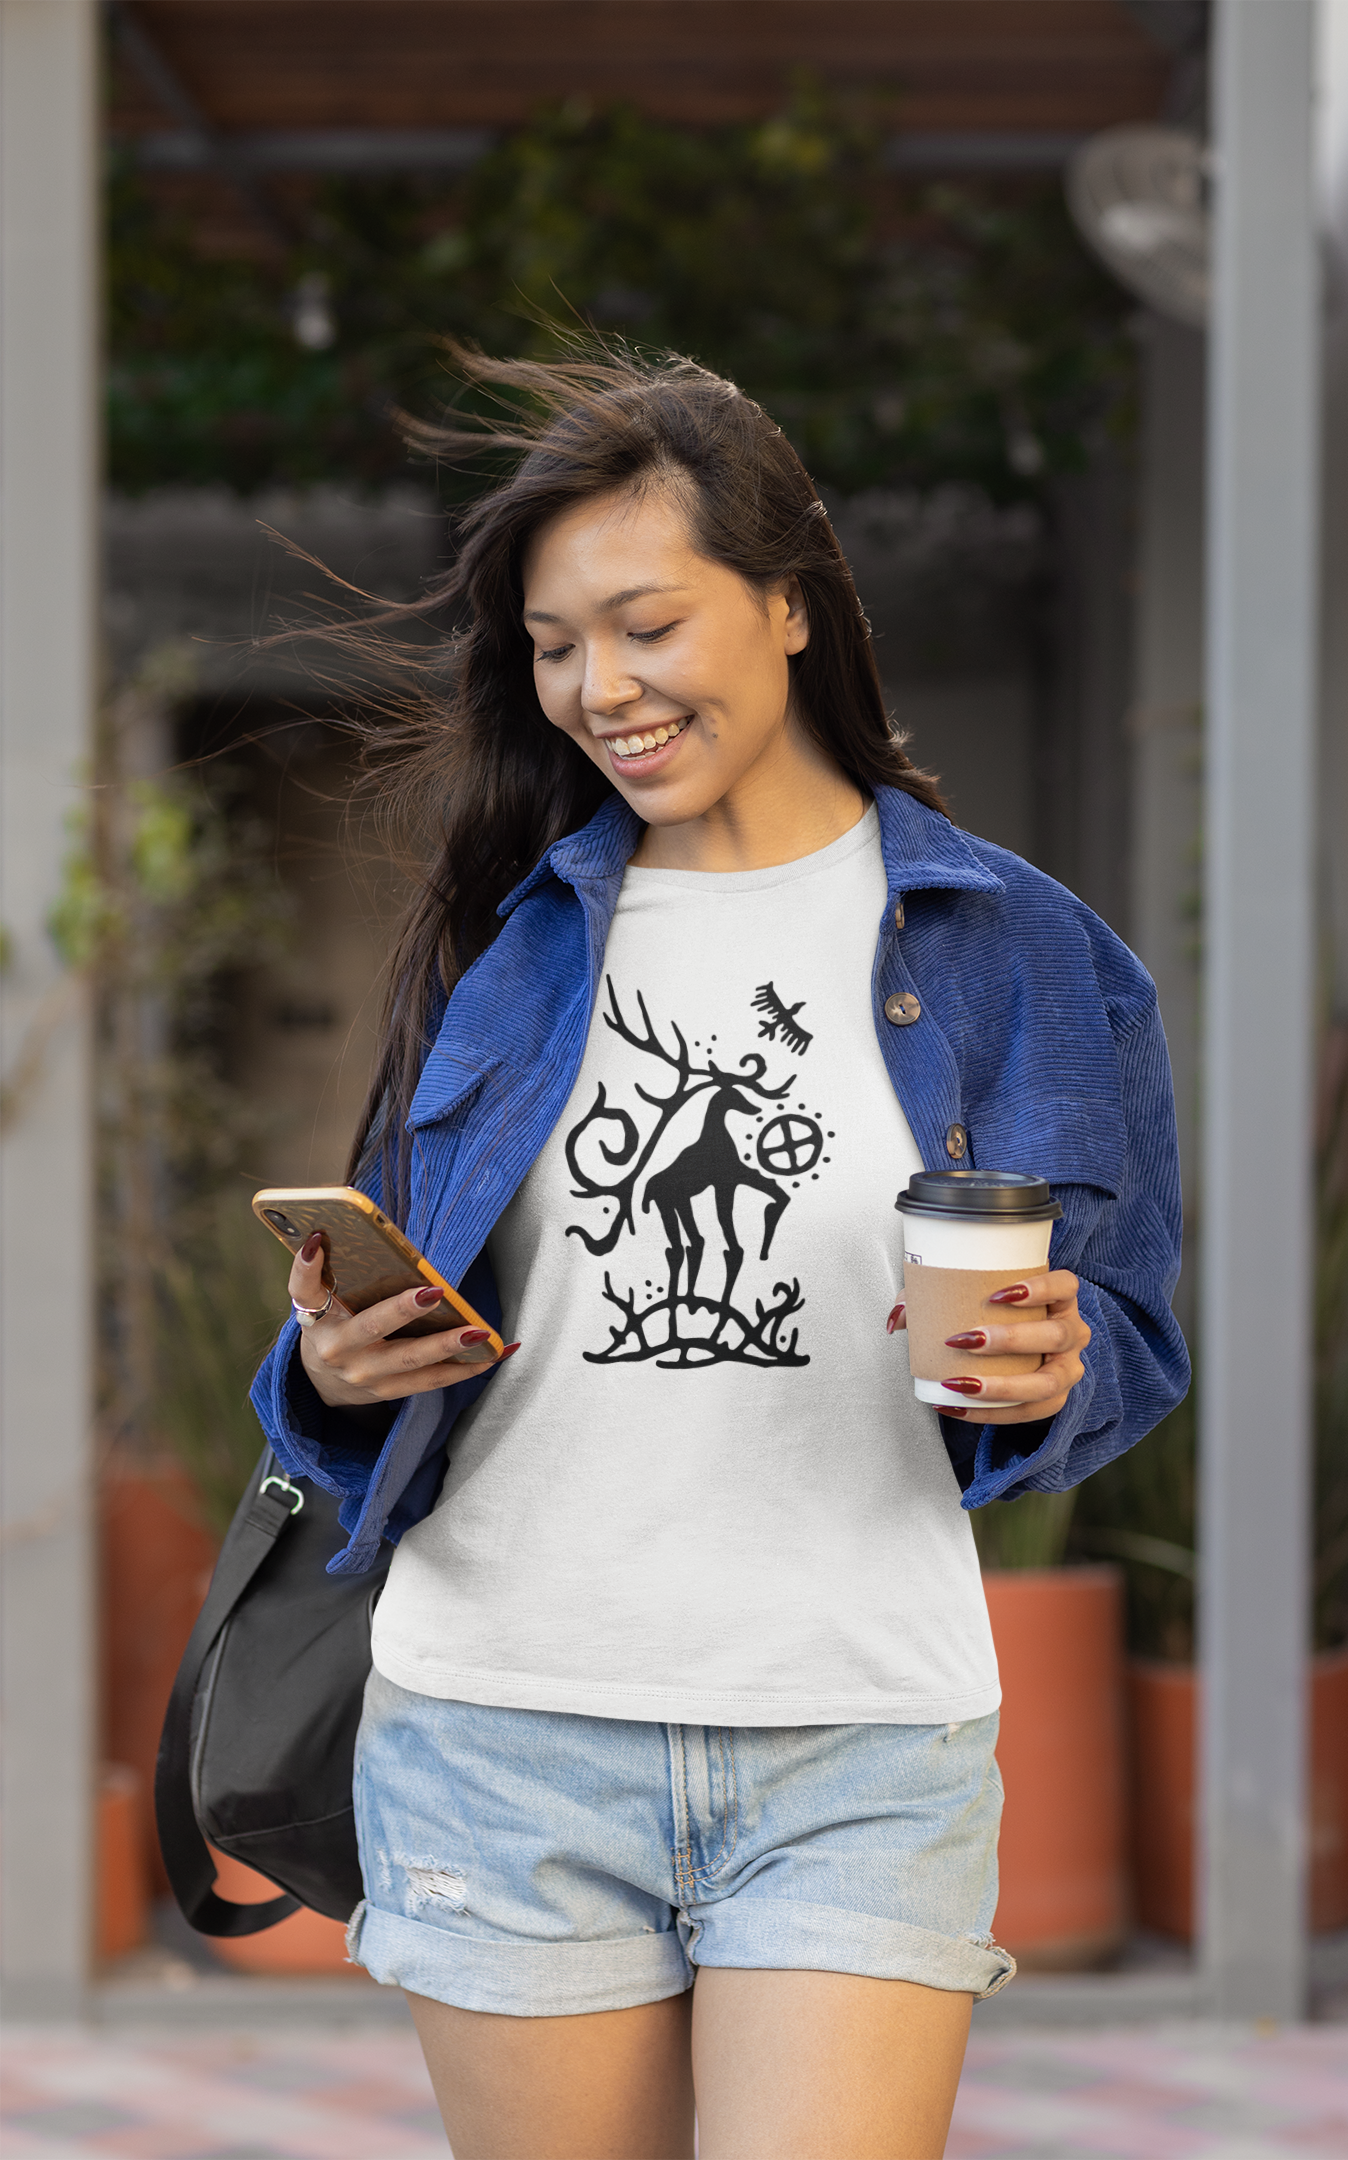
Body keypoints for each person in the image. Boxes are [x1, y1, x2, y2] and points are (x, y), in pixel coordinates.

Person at [251, 349, 1189, 2160]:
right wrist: (332, 1368)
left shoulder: (1021, 953)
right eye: (551, 644)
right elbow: (367, 1337)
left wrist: (1052, 1383)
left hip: (856, 1738)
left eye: (645, 622)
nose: (599, 688)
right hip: (505, 1725)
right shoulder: (502, 941)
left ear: (787, 604)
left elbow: (1129, 1332)